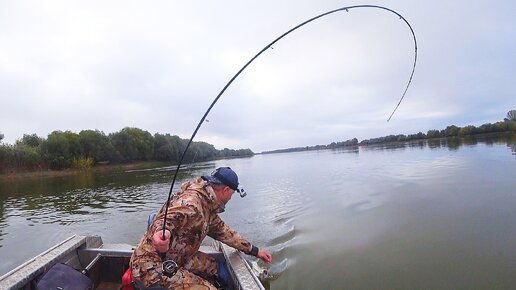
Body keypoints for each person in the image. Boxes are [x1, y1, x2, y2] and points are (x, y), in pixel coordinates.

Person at [130, 167, 272, 289]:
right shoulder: (192, 202)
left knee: (216, 267)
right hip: (151, 267)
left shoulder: (208, 207)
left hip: (178, 256)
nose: (230, 197)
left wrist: (255, 251)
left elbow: (226, 233)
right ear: (225, 190)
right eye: (232, 194)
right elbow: (166, 219)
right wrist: (161, 232)